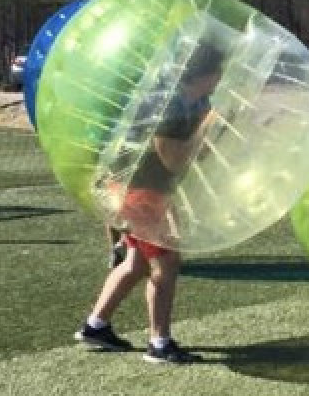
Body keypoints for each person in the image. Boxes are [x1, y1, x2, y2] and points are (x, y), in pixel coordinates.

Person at [74, 43, 224, 364]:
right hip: (135, 189)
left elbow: (195, 155)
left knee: (136, 262)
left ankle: (95, 325)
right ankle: (159, 343)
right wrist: (208, 128)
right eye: (219, 72)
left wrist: (213, 131)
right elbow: (173, 159)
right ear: (207, 73)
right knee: (166, 262)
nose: (221, 79)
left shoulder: (195, 101)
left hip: (147, 188)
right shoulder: (169, 105)